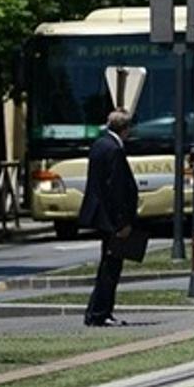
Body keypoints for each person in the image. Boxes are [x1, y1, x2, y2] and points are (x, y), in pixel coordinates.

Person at [77, 110, 138, 327]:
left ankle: (99, 311)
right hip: (112, 219)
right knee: (110, 268)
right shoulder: (114, 150)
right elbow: (116, 190)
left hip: (103, 216)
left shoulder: (100, 144)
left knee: (108, 265)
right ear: (125, 129)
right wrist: (122, 223)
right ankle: (99, 313)